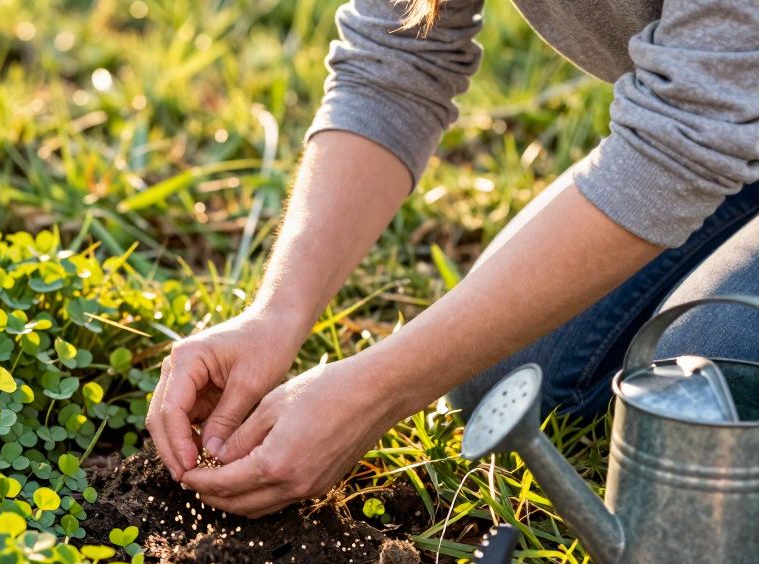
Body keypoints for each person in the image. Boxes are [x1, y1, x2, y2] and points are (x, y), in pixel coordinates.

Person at [146, 0, 759, 518]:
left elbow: (684, 139)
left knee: (718, 390)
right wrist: (276, 313)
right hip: (734, 120)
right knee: (506, 378)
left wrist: (377, 390)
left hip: (713, 122)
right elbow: (398, 59)